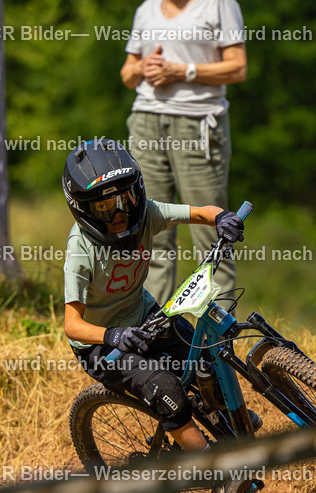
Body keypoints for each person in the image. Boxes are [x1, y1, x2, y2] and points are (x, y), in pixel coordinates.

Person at [61, 139, 246, 462]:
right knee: (169, 392)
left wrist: (222, 219)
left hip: (146, 317)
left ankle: (222, 420)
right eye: (105, 207)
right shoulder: (81, 250)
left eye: (126, 198)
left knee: (205, 356)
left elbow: (201, 213)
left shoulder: (146, 214)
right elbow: (72, 325)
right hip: (103, 346)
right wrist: (112, 336)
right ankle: (216, 471)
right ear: (83, 209)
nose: (119, 212)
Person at [120, 0, 247, 307]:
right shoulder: (146, 9)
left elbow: (238, 67)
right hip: (146, 121)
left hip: (198, 125)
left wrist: (183, 71)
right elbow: (127, 75)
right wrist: (140, 67)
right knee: (149, 229)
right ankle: (155, 331)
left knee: (214, 231)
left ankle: (216, 339)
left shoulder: (219, 5)